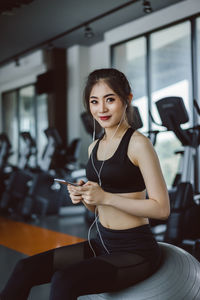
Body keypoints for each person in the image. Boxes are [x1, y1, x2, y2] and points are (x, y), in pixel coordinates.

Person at [0, 68, 170, 300]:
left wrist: (106, 197)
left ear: (127, 99)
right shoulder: (94, 147)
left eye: (110, 99)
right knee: (24, 269)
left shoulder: (138, 144)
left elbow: (161, 208)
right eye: (94, 101)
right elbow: (96, 205)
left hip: (135, 250)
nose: (101, 109)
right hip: (101, 242)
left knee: (65, 280)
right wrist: (84, 197)